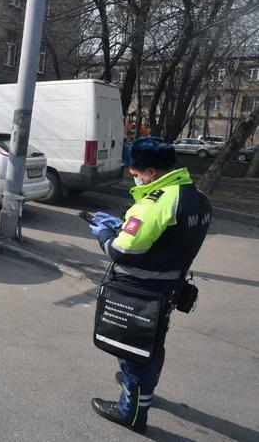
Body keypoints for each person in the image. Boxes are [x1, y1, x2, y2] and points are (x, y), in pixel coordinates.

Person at [87, 137, 212, 433]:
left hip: (139, 290)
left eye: (135, 173)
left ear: (151, 172)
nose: (135, 177)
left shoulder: (157, 201)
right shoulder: (196, 196)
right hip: (170, 287)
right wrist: (122, 226)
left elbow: (122, 251)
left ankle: (130, 411)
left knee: (134, 351)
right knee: (152, 345)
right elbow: (167, 239)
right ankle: (145, 390)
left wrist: (105, 235)